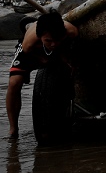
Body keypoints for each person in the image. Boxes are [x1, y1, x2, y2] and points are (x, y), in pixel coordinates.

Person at [7, 10, 78, 138]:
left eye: (56, 39)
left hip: (60, 50)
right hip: (34, 52)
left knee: (72, 69)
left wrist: (67, 61)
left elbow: (72, 51)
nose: (53, 44)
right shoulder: (29, 42)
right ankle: (13, 128)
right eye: (49, 40)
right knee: (14, 83)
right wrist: (43, 60)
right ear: (41, 37)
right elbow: (28, 52)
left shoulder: (71, 32)